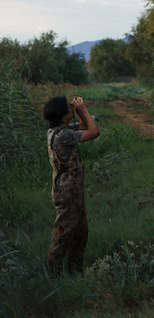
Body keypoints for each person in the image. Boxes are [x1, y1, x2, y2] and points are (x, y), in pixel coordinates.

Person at [43, 94, 100, 273]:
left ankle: (75, 273)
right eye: (68, 107)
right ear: (62, 114)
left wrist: (79, 113)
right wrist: (83, 109)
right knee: (64, 233)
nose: (71, 108)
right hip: (66, 191)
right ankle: (52, 273)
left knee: (80, 232)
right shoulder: (62, 136)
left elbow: (84, 126)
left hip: (72, 190)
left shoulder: (61, 131)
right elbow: (94, 131)